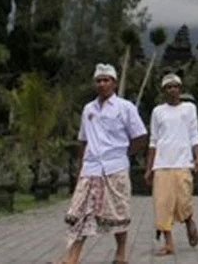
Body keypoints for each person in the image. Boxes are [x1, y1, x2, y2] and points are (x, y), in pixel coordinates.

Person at [56, 63, 148, 264]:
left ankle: (120, 254)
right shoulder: (88, 109)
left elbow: (140, 136)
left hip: (115, 167)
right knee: (79, 212)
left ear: (114, 83)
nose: (102, 84)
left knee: (118, 213)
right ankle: (71, 258)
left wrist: (125, 153)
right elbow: (83, 140)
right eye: (98, 80)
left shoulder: (125, 108)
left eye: (106, 80)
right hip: (91, 168)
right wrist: (81, 167)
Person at [145, 74, 198, 255]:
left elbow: (194, 135)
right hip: (162, 164)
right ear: (164, 91)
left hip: (183, 162)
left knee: (183, 201)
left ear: (180, 89)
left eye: (175, 86)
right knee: (162, 204)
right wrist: (149, 168)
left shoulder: (189, 109)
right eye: (168, 87)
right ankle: (169, 244)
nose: (172, 90)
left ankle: (189, 221)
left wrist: (197, 158)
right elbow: (153, 140)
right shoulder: (157, 111)